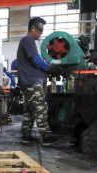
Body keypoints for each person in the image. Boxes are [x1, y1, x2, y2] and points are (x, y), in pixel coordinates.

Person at [16, 17, 62, 146]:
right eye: (40, 30)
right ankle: (46, 135)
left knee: (30, 109)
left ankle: (26, 135)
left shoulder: (28, 42)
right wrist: (49, 68)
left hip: (28, 81)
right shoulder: (28, 40)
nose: (41, 33)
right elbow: (35, 60)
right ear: (32, 28)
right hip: (31, 81)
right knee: (41, 107)